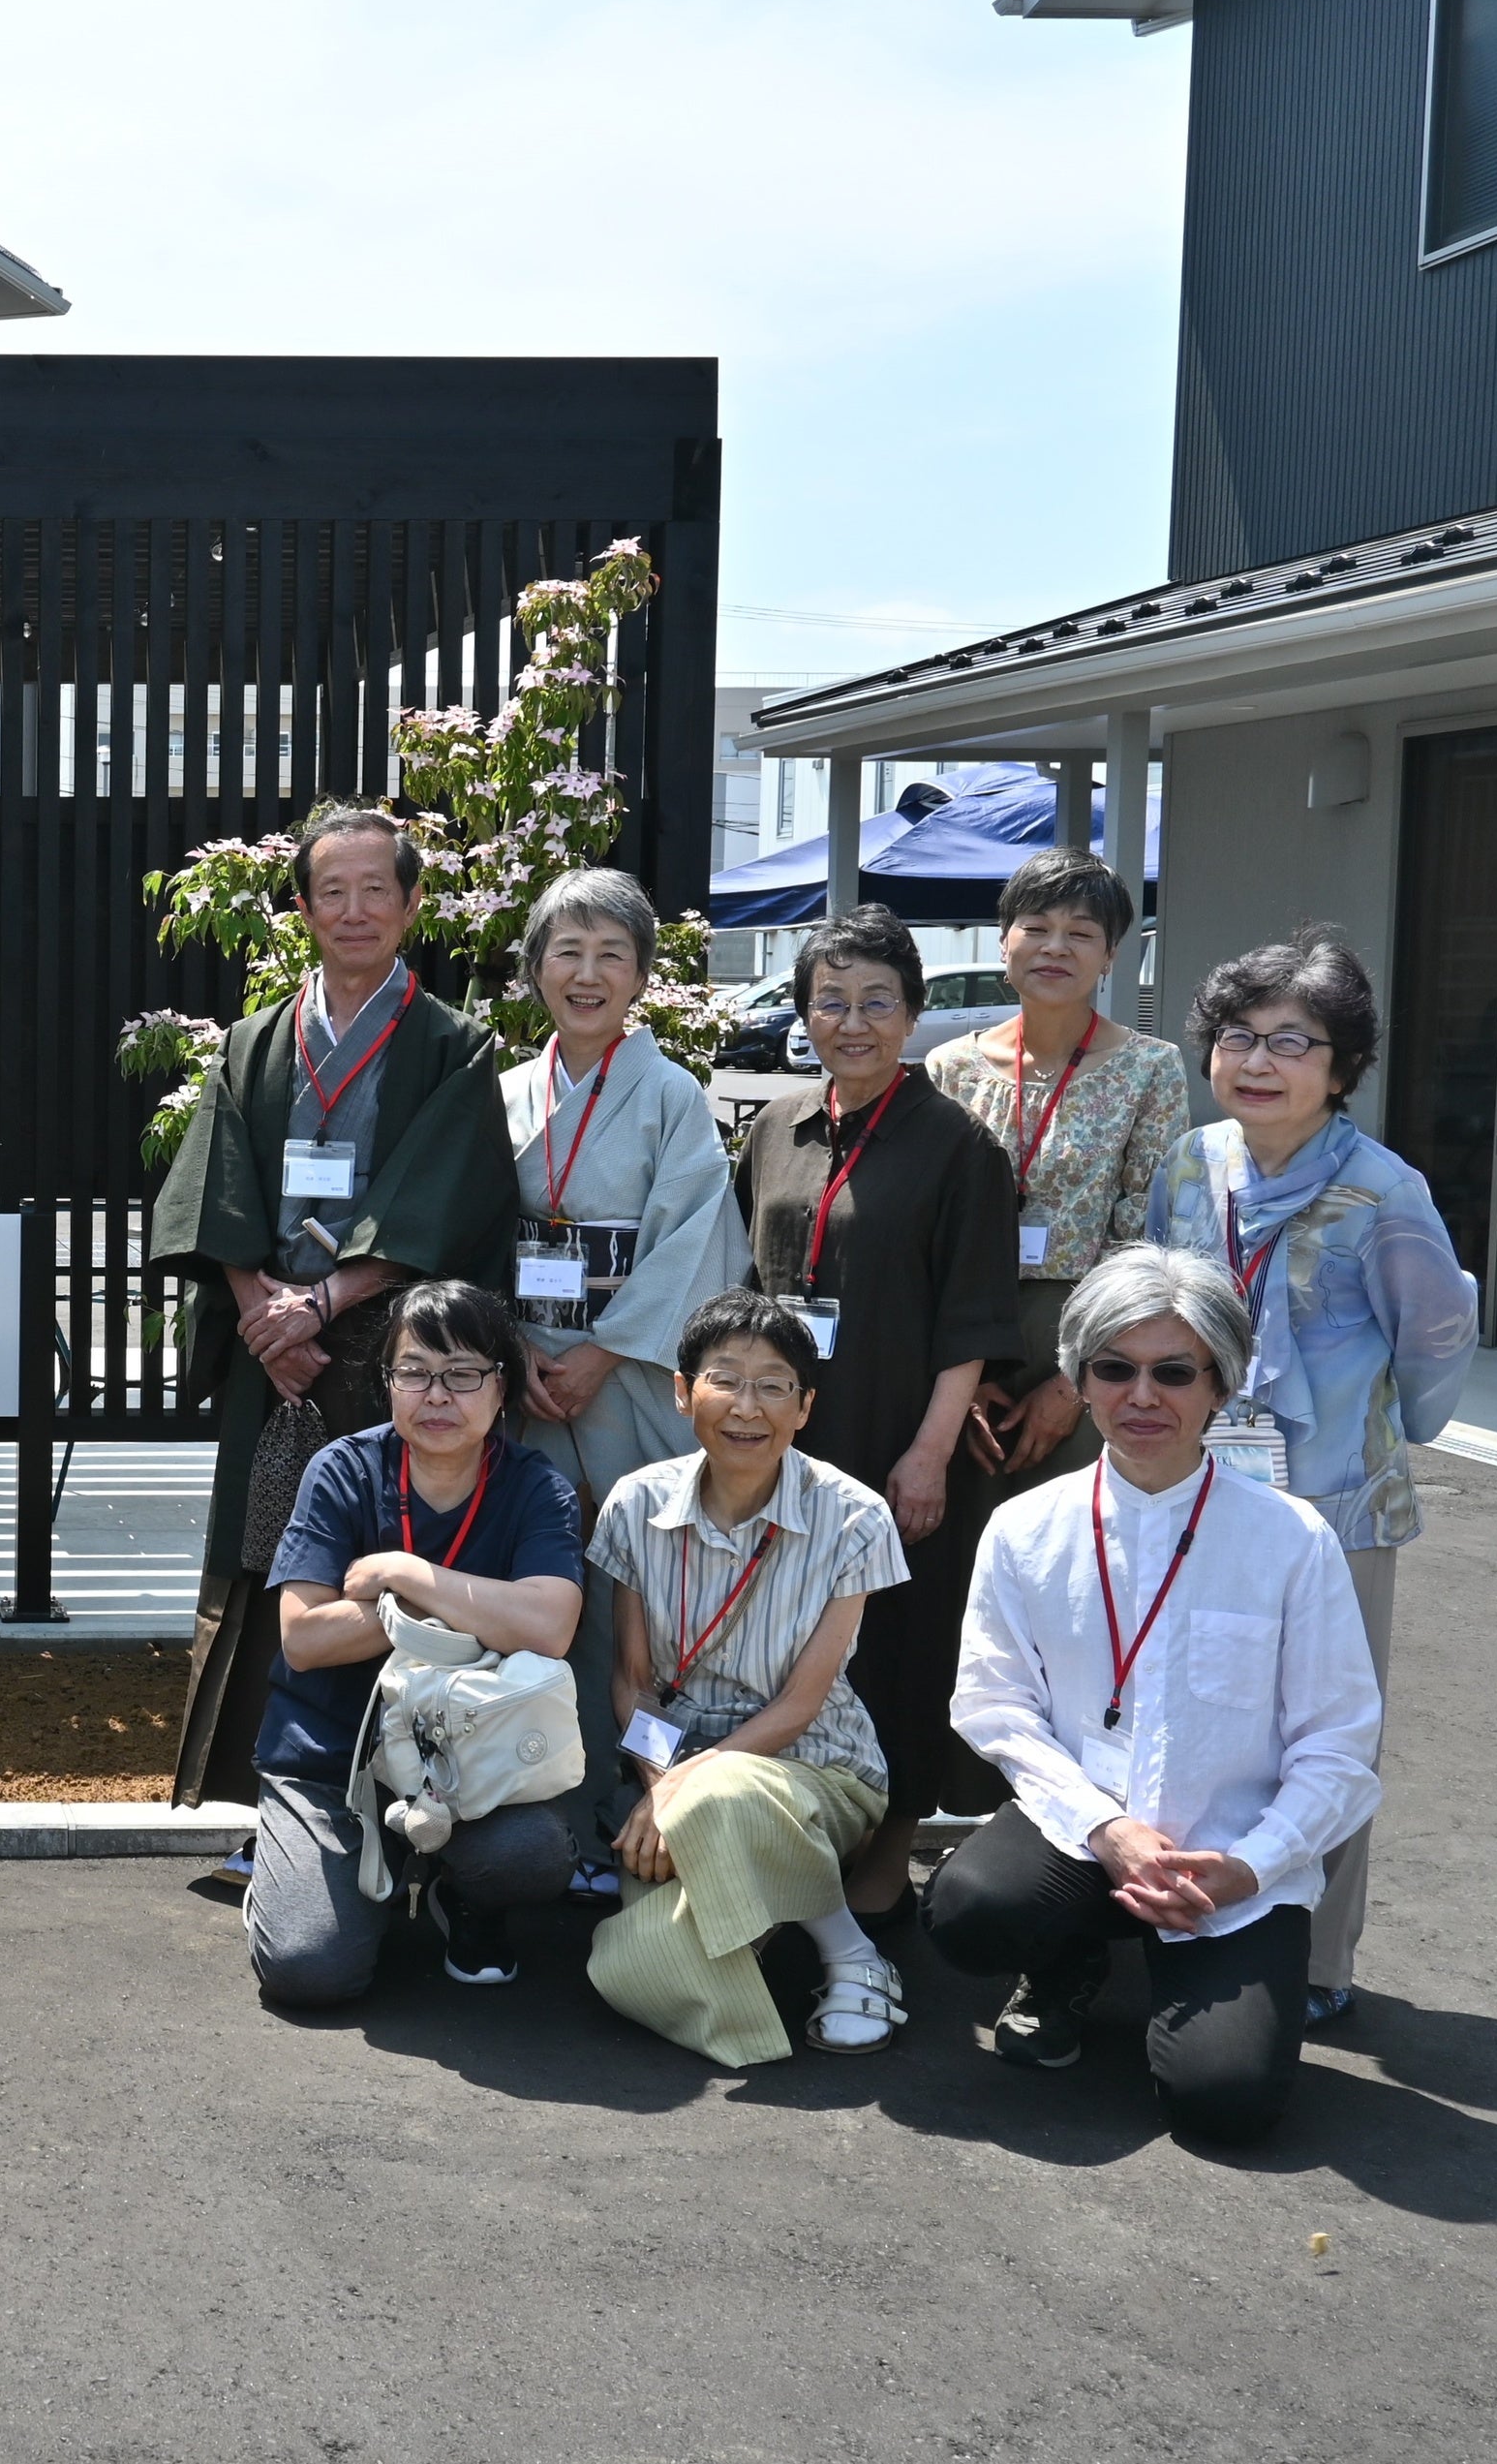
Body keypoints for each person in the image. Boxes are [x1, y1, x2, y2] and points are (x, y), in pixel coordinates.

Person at [930, 1247, 1381, 2143]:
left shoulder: (1293, 1541)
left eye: (1175, 1371)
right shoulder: (1025, 1528)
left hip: (1233, 1860)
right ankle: (1068, 1960)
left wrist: (1252, 1863)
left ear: (1221, 1385)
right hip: (1085, 1828)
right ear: (1081, 1380)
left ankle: (1193, 1975)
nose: (1143, 1395)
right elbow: (993, 1703)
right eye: (1114, 1368)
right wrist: (1108, 1828)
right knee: (967, 1912)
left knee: (1225, 2105)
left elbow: (1339, 1745)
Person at [145, 802, 517, 1826]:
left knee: (392, 1569)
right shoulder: (256, 1043)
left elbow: (451, 1190)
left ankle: (408, 1804)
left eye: (375, 890)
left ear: (411, 904)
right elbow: (215, 1191)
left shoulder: (454, 1045)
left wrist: (324, 1301)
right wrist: (258, 1308)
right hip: (275, 1359)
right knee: (270, 1559)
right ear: (303, 907)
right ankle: (270, 1803)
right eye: (332, 891)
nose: (354, 910)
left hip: (401, 1356)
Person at [1145, 930, 1474, 2026]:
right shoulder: (1195, 1164)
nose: (1259, 1060)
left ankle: (1321, 1962)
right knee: (1201, 1704)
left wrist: (1378, 1430)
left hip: (1338, 1508)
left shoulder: (1382, 1194)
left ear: (1341, 1068)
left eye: (1294, 1041)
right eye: (1239, 1035)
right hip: (1204, 1491)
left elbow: (1436, 1340)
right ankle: (1194, 1913)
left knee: (1327, 1729)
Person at [732, 903, 1019, 1921]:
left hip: (895, 1437)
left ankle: (891, 1848)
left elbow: (970, 1320)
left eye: (876, 1003)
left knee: (898, 1643)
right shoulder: (774, 1127)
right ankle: (790, 1825)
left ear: (914, 1013)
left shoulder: (957, 1148)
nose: (850, 1023)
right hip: (778, 1442)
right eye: (830, 1001)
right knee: (783, 1636)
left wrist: (932, 1454)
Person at [497, 865, 749, 1885]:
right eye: (568, 950)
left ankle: (644, 1805)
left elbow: (694, 1237)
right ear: (536, 969)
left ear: (643, 973)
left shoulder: (671, 1093)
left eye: (612, 953)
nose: (589, 972)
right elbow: (482, 1226)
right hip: (523, 1374)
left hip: (630, 1372)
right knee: (536, 1582)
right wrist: (511, 1350)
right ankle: (540, 1800)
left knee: (640, 1592)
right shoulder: (505, 1088)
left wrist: (606, 1350)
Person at [582, 1293, 909, 2065]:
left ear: (805, 1407)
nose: (747, 1407)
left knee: (723, 1796)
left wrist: (677, 1793)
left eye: (774, 1385)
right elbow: (633, 1683)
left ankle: (853, 1955)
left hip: (818, 1770)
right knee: (625, 1965)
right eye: (724, 1379)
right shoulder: (637, 1503)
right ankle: (746, 1926)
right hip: (678, 1770)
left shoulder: (854, 1517)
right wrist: (659, 1781)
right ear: (681, 1389)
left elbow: (800, 1706)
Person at [246, 1279, 584, 2002]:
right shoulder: (340, 1471)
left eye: (464, 1374)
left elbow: (551, 1625)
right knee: (309, 1970)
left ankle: (460, 1893)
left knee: (531, 1854)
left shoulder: (534, 1486)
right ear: (386, 1383)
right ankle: (323, 1866)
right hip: (333, 1757)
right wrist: (479, 1607)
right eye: (415, 1371)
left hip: (476, 1763)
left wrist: (406, 1574)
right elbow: (304, 1636)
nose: (438, 1395)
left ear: (502, 1388)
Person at [933, 851, 1191, 1507]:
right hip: (959, 1331)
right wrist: (955, 1385)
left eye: (1080, 932)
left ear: (1110, 955)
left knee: (1078, 1530)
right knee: (962, 1539)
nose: (1055, 947)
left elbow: (1151, 1237)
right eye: (1035, 926)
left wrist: (1075, 1379)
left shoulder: (1150, 1070)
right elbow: (924, 1227)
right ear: (1003, 939)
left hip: (1092, 1331)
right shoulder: (948, 1067)